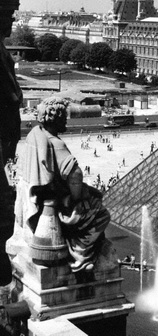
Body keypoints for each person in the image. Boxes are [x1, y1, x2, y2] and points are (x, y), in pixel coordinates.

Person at [14, 97, 110, 272]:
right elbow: (76, 175)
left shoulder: (34, 135)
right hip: (60, 205)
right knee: (102, 214)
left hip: (40, 203)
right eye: (63, 117)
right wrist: (78, 198)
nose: (66, 120)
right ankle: (80, 253)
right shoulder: (56, 144)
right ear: (56, 118)